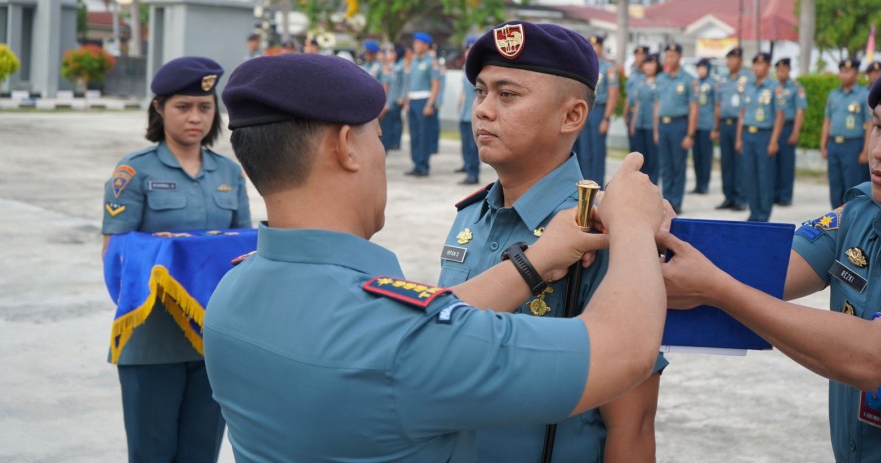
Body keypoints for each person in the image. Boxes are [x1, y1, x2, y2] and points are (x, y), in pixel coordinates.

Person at [203, 52, 668, 462]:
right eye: (377, 136)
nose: (483, 109)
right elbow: (625, 351)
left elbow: (432, 321)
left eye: (507, 93)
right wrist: (631, 223)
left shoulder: (231, 293)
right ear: (345, 147)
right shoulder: (398, 338)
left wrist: (535, 261)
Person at [438, 21, 669, 462]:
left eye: (507, 95)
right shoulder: (471, 218)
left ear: (571, 116)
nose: (484, 110)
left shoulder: (604, 231)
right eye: (481, 92)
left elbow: (632, 423)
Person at [662, 61, 881, 463]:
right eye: (877, 126)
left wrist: (718, 290)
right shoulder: (858, 213)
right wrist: (659, 236)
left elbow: (874, 356)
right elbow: (763, 270)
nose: (879, 150)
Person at [101, 56, 252, 462]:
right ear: (159, 108)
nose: (195, 118)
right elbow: (115, 258)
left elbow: (242, 252)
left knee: (201, 454)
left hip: (211, 342)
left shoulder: (229, 174)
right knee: (152, 454)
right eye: (183, 107)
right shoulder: (134, 173)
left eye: (205, 108)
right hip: (151, 339)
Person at [736, 52, 784, 222]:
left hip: (765, 135)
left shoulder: (774, 87)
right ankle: (753, 211)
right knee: (750, 175)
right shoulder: (748, 86)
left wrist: (774, 140)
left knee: (764, 176)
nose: (757, 67)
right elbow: (742, 113)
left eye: (761, 64)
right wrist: (739, 138)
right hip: (748, 134)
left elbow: (779, 115)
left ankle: (764, 214)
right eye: (755, 64)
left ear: (768, 67)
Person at [821, 58, 871, 209]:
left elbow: (870, 124)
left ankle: (851, 218)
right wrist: (823, 145)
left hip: (853, 145)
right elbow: (827, 120)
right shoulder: (833, 95)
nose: (843, 75)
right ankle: (835, 219)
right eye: (842, 71)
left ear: (856, 74)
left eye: (847, 71)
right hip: (834, 144)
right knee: (835, 184)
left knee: (851, 184)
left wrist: (865, 150)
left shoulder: (863, 94)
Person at [654, 42, 698, 215]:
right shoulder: (661, 78)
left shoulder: (688, 79)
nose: (668, 59)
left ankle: (676, 202)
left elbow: (694, 108)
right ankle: (666, 201)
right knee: (665, 165)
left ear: (680, 57)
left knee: (678, 165)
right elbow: (657, 104)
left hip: (679, 125)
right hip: (663, 125)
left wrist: (690, 134)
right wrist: (657, 129)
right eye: (666, 55)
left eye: (672, 56)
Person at [574, 34, 618, 185]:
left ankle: (596, 187)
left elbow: (613, 94)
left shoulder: (608, 68)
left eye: (596, 45)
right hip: (585, 110)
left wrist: (606, 118)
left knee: (597, 152)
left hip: (599, 111)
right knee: (584, 151)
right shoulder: (583, 66)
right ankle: (583, 185)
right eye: (591, 45)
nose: (594, 48)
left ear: (601, 47)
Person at [714, 47, 750, 211]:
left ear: (740, 61)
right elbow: (718, 104)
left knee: (740, 163)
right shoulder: (723, 80)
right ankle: (728, 196)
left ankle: (741, 198)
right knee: (726, 163)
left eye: (733, 59)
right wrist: (716, 127)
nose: (730, 62)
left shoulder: (747, 79)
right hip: (724, 124)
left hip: (739, 124)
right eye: (728, 59)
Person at [403, 31, 440, 177]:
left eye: (418, 43)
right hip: (412, 100)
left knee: (424, 134)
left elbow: (435, 85)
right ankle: (416, 163)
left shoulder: (431, 62)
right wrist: (407, 102)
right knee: (414, 135)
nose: (415, 46)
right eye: (415, 43)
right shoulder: (413, 62)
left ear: (426, 45)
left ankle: (423, 165)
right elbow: (409, 83)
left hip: (424, 100)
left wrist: (430, 104)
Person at [773, 57, 808, 206]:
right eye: (778, 70)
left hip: (788, 127)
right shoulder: (773, 87)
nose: (781, 73)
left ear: (789, 70)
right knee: (773, 163)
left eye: (784, 70)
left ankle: (785, 196)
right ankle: (774, 194)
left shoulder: (796, 87)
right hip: (774, 127)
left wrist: (795, 132)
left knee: (786, 164)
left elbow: (800, 111)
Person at [630, 52, 662, 183]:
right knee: (640, 158)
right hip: (640, 124)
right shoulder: (641, 81)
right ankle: (640, 185)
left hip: (651, 126)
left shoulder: (660, 81)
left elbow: (658, 106)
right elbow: (637, 103)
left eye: (651, 64)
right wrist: (633, 123)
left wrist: (656, 129)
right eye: (646, 64)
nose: (648, 67)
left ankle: (652, 184)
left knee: (653, 158)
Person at [456, 37, 480, 185]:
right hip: (465, 111)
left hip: (474, 111)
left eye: (471, 49)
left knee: (472, 145)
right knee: (465, 143)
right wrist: (460, 101)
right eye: (467, 49)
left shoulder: (478, 69)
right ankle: (466, 166)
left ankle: (473, 173)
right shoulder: (466, 68)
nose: (468, 52)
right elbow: (464, 89)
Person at [691, 58, 716, 194]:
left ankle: (705, 184)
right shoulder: (694, 83)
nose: (701, 70)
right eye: (699, 68)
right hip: (696, 126)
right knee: (696, 156)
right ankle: (697, 184)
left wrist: (714, 127)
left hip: (707, 125)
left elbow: (716, 107)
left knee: (706, 156)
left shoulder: (713, 84)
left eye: (703, 68)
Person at [380, 43, 406, 151]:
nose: (392, 54)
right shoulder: (393, 65)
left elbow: (405, 82)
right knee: (389, 121)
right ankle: (390, 141)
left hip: (397, 98)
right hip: (391, 97)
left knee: (396, 121)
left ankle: (396, 141)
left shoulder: (402, 65)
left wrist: (402, 97)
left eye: (394, 52)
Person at [624, 45, 650, 152]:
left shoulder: (650, 75)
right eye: (637, 56)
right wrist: (625, 114)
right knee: (633, 149)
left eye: (642, 55)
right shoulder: (633, 75)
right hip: (632, 113)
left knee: (646, 151)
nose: (639, 58)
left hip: (645, 115)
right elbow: (629, 96)